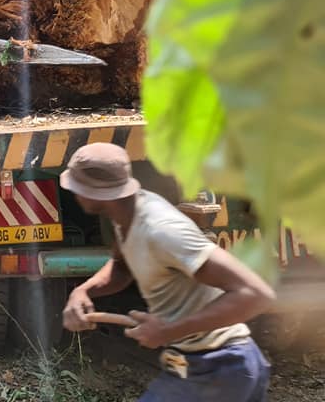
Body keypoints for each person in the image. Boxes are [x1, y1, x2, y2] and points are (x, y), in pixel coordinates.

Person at [59, 142, 276, 402]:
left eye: (76, 187)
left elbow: (255, 293)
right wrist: (84, 291)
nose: (73, 193)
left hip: (220, 368)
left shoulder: (161, 230)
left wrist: (169, 330)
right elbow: (121, 267)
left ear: (95, 193)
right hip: (202, 366)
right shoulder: (124, 217)